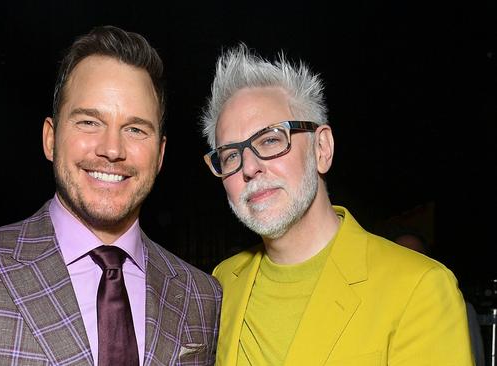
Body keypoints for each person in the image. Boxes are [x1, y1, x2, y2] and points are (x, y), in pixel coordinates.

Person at [0, 26, 221, 365]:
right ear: (50, 139)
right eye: (89, 122)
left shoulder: (200, 295)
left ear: (160, 155)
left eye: (135, 129)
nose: (112, 149)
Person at [199, 44, 473, 365]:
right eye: (231, 155)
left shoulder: (419, 287)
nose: (249, 167)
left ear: (322, 149)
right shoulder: (221, 283)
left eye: (270, 140)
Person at [391, 228, 486, 366]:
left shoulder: (459, 306)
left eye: (416, 256)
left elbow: (475, 358)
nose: (409, 262)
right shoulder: (375, 306)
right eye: (402, 255)